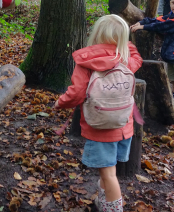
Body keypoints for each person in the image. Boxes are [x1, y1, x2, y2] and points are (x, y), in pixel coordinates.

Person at [54, 14, 143, 212]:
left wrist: (59, 103)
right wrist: (126, 45)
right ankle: (103, 202)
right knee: (110, 172)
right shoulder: (126, 59)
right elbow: (138, 58)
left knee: (108, 174)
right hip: (123, 125)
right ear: (123, 38)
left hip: (100, 128)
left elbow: (76, 93)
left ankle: (113, 209)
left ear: (96, 34)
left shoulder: (87, 62)